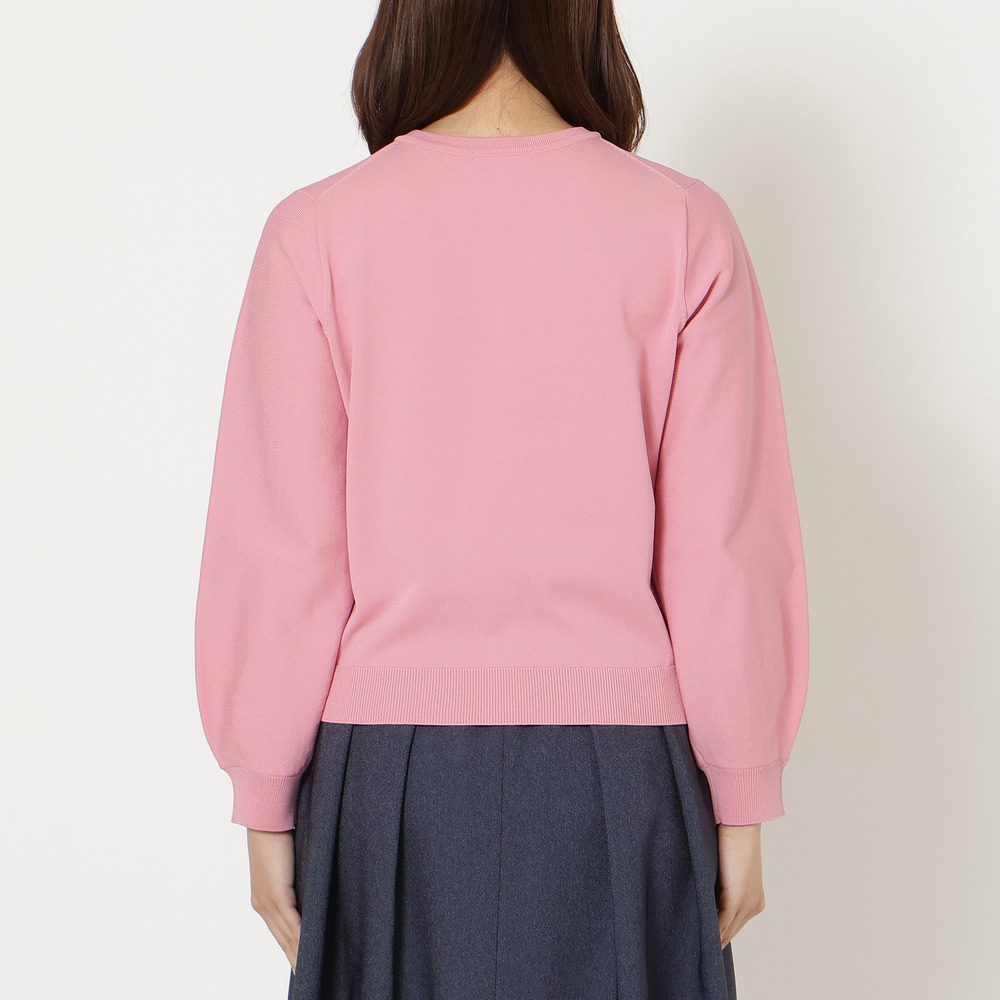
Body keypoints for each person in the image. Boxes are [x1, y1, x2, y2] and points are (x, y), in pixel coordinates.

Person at [193, 2, 809, 998]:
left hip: (388, 776)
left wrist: (263, 792)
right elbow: (724, 550)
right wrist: (743, 789)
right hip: (623, 773)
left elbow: (283, 548)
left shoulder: (316, 232)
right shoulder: (684, 226)